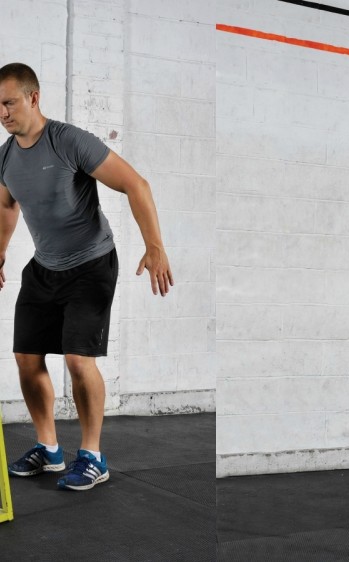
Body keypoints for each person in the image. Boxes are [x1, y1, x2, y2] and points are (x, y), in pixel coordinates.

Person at [0, 62, 174, 491]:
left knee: (79, 360)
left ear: (33, 98)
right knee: (27, 359)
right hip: (45, 267)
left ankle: (93, 456)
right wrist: (0, 252)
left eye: (8, 102)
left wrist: (155, 246)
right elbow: (7, 206)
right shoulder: (5, 156)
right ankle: (50, 449)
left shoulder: (68, 141)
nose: (2, 113)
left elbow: (137, 184)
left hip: (91, 264)